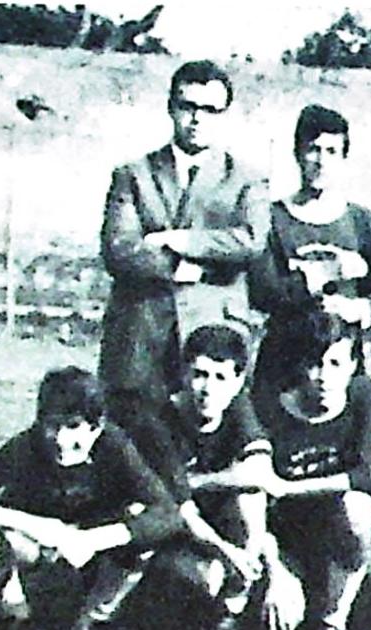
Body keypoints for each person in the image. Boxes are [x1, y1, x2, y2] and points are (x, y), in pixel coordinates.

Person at [0, 367, 184, 630]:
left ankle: (90, 623)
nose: (61, 439)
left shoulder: (115, 447)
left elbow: (167, 512)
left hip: (88, 563)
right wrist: (33, 525)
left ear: (97, 427)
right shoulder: (27, 446)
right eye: (52, 426)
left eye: (73, 427)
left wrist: (91, 540)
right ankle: (12, 618)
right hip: (33, 558)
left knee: (139, 524)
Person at [99, 59, 269, 431]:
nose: (197, 118)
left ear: (224, 115)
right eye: (188, 106)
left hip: (213, 330)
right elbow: (120, 249)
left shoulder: (247, 180)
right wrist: (183, 267)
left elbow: (251, 240)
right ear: (171, 107)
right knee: (131, 437)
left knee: (211, 439)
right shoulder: (133, 174)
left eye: (210, 110)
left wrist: (183, 240)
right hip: (141, 331)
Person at [123, 325, 280, 630]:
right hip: (166, 527)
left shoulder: (238, 409)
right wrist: (227, 552)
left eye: (221, 377)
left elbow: (258, 475)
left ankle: (229, 614)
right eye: (199, 374)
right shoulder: (158, 420)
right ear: (183, 374)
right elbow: (178, 504)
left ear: (238, 382)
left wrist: (250, 554)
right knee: (199, 573)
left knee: (248, 496)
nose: (208, 388)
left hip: (214, 524)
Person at [244, 314, 371, 630]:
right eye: (315, 364)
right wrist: (276, 572)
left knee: (360, 507)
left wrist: (288, 486)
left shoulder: (362, 395)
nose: (323, 377)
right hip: (283, 535)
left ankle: (332, 624)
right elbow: (255, 495)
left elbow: (370, 476)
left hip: (333, 532)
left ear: (352, 366)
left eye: (335, 364)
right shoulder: (269, 406)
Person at [249, 104, 371, 423]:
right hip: (284, 358)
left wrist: (358, 309)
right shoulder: (272, 218)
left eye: (331, 151)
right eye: (313, 149)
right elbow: (263, 291)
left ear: (344, 158)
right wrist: (324, 274)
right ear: (298, 154)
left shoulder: (364, 222)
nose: (321, 161)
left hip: (341, 363)